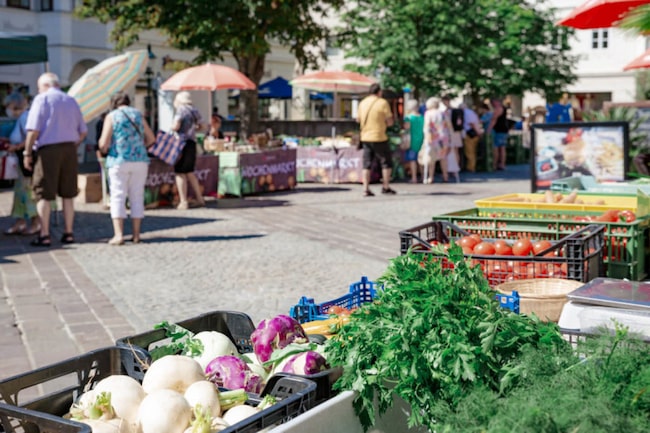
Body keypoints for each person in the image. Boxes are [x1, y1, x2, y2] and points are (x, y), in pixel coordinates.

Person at [23, 72, 88, 247]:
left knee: (43, 193)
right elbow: (83, 131)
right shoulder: (71, 100)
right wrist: (73, 145)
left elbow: (33, 130)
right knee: (68, 194)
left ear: (43, 86)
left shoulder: (42, 99)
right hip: (69, 149)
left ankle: (44, 234)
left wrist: (27, 153)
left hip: (48, 150)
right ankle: (69, 232)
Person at [98, 91, 155, 245]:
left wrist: (105, 149)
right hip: (140, 160)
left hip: (119, 160)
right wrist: (138, 147)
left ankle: (119, 235)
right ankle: (136, 235)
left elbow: (103, 143)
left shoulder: (112, 116)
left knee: (118, 196)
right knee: (137, 196)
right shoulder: (138, 115)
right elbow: (151, 138)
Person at [3, 92, 40, 236]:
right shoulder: (22, 118)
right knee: (21, 192)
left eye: (9, 106)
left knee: (27, 192)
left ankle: (35, 221)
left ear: (14, 106)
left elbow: (31, 137)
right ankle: (21, 221)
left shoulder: (25, 117)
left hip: (26, 160)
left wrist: (16, 147)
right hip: (21, 161)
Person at [357, 83, 395, 196]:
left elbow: (358, 120)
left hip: (365, 137)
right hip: (379, 136)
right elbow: (389, 121)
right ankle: (386, 186)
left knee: (366, 163)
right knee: (385, 163)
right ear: (379, 92)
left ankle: (365, 188)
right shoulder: (382, 103)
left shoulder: (363, 102)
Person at [172, 91, 206, 210]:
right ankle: (200, 198)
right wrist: (193, 128)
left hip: (181, 143)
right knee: (190, 172)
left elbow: (176, 126)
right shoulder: (194, 110)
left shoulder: (181, 110)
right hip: (192, 143)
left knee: (180, 173)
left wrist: (172, 127)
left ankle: (183, 201)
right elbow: (202, 125)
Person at [420, 97, 446, 184]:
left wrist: (427, 137)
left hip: (432, 137)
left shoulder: (428, 113)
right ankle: (445, 176)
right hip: (442, 138)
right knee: (443, 158)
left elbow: (427, 126)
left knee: (431, 158)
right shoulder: (442, 113)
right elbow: (447, 125)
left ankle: (431, 177)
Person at [402, 99, 424, 183]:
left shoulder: (408, 117)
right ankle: (423, 176)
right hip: (421, 139)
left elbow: (406, 128)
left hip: (412, 140)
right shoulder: (422, 117)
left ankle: (414, 177)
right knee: (421, 159)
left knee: (413, 159)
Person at [441, 95, 464, 172]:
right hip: (456, 132)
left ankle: (452, 169)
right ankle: (455, 169)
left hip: (451, 132)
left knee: (452, 150)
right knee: (455, 150)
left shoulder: (448, 111)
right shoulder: (456, 110)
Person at [486, 97, 509, 171]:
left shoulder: (498, 109)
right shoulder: (503, 108)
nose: (492, 104)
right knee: (502, 147)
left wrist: (488, 130)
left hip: (499, 129)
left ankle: (495, 164)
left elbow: (494, 119)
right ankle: (502, 164)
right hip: (503, 129)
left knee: (496, 147)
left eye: (492, 102)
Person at [461, 103, 482, 173]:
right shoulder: (471, 112)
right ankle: (471, 166)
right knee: (472, 151)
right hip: (474, 133)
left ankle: (471, 167)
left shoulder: (466, 113)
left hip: (470, 134)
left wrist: (477, 132)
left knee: (469, 151)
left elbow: (472, 123)